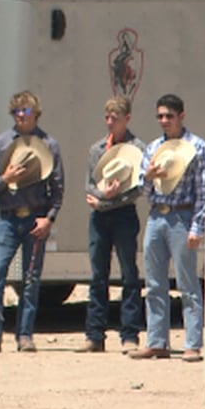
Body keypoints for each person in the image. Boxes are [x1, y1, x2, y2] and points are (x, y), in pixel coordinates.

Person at [130, 94, 205, 362]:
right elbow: (141, 188)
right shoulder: (153, 148)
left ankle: (192, 343)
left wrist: (198, 227)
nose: (164, 121)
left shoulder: (197, 147)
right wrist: (149, 178)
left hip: (183, 215)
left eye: (169, 116)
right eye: (160, 116)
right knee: (153, 283)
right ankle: (157, 341)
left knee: (187, 283)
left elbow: (203, 190)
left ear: (181, 116)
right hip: (157, 216)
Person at [0, 91, 64, 353]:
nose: (20, 115)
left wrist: (48, 219)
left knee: (31, 279)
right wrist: (4, 179)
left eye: (26, 111)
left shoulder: (49, 145)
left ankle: (25, 335)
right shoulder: (1, 143)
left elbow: (58, 189)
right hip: (7, 219)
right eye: (17, 111)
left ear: (35, 113)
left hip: (35, 219)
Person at [81, 96, 146, 353]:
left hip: (123, 216)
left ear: (127, 119)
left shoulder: (137, 147)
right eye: (107, 118)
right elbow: (89, 184)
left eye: (115, 119)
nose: (110, 123)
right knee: (98, 276)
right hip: (99, 216)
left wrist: (106, 201)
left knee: (129, 274)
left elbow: (137, 189)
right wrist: (101, 196)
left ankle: (130, 334)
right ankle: (94, 334)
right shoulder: (97, 149)